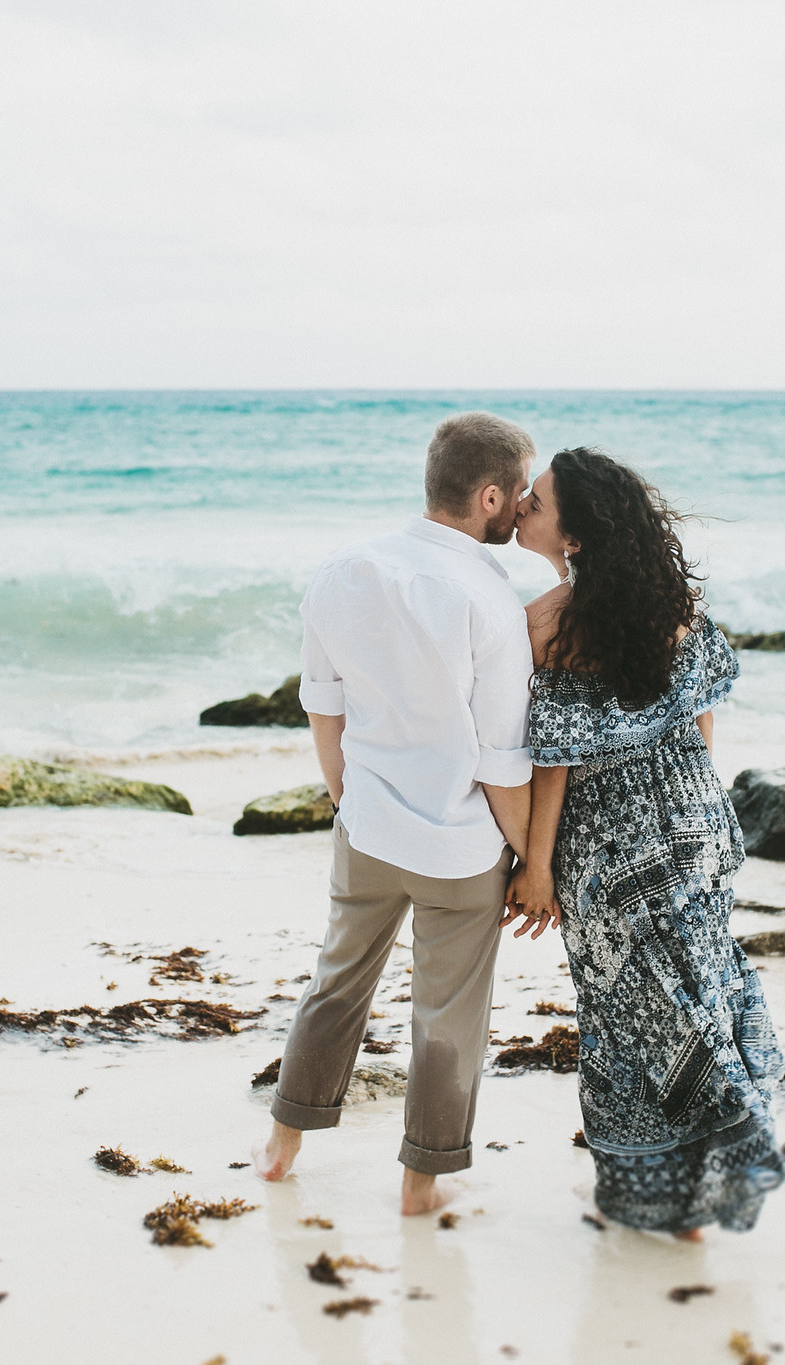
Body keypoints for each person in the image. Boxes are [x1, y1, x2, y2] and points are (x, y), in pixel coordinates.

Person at [255, 411, 536, 1216]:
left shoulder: (346, 567)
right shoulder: (489, 598)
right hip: (460, 849)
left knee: (335, 982)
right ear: (489, 494)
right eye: (519, 492)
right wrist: (528, 861)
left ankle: (282, 1146)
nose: (522, 509)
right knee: (448, 1015)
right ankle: (422, 1183)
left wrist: (347, 799)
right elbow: (499, 757)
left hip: (367, 824)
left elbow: (323, 704)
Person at [504, 446, 785, 1238]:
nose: (522, 503)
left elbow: (553, 764)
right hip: (698, 824)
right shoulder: (678, 606)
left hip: (612, 853)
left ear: (577, 537)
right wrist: (705, 814)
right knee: (698, 991)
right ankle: (700, 1184)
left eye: (540, 499)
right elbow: (701, 715)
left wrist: (535, 867)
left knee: (628, 1018)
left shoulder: (545, 627)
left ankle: (679, 1184)